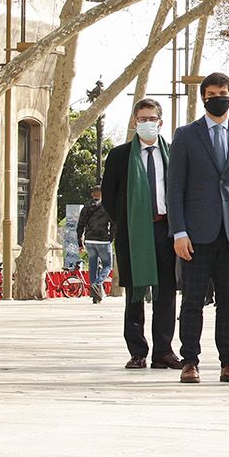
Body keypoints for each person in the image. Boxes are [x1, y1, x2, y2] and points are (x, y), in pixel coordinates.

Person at [168, 72, 229, 384]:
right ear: (203, 98)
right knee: (192, 302)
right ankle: (190, 361)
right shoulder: (184, 136)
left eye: (222, 92)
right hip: (196, 234)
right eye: (210, 94)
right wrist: (178, 231)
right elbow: (174, 189)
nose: (216, 97)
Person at [101, 99, 181, 370]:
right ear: (135, 122)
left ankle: (163, 351)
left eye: (152, 118)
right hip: (134, 234)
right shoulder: (120, 156)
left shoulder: (173, 153)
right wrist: (127, 222)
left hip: (166, 231)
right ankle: (137, 352)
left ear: (161, 122)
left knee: (166, 293)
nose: (147, 123)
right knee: (135, 294)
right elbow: (109, 199)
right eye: (142, 119)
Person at [76, 185, 114, 303]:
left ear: (92, 194)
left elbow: (80, 226)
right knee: (108, 265)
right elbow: (113, 224)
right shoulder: (106, 207)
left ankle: (95, 296)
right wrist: (111, 238)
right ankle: (97, 283)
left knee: (92, 266)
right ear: (102, 194)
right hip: (102, 240)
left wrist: (80, 243)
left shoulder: (85, 207)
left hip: (89, 241)